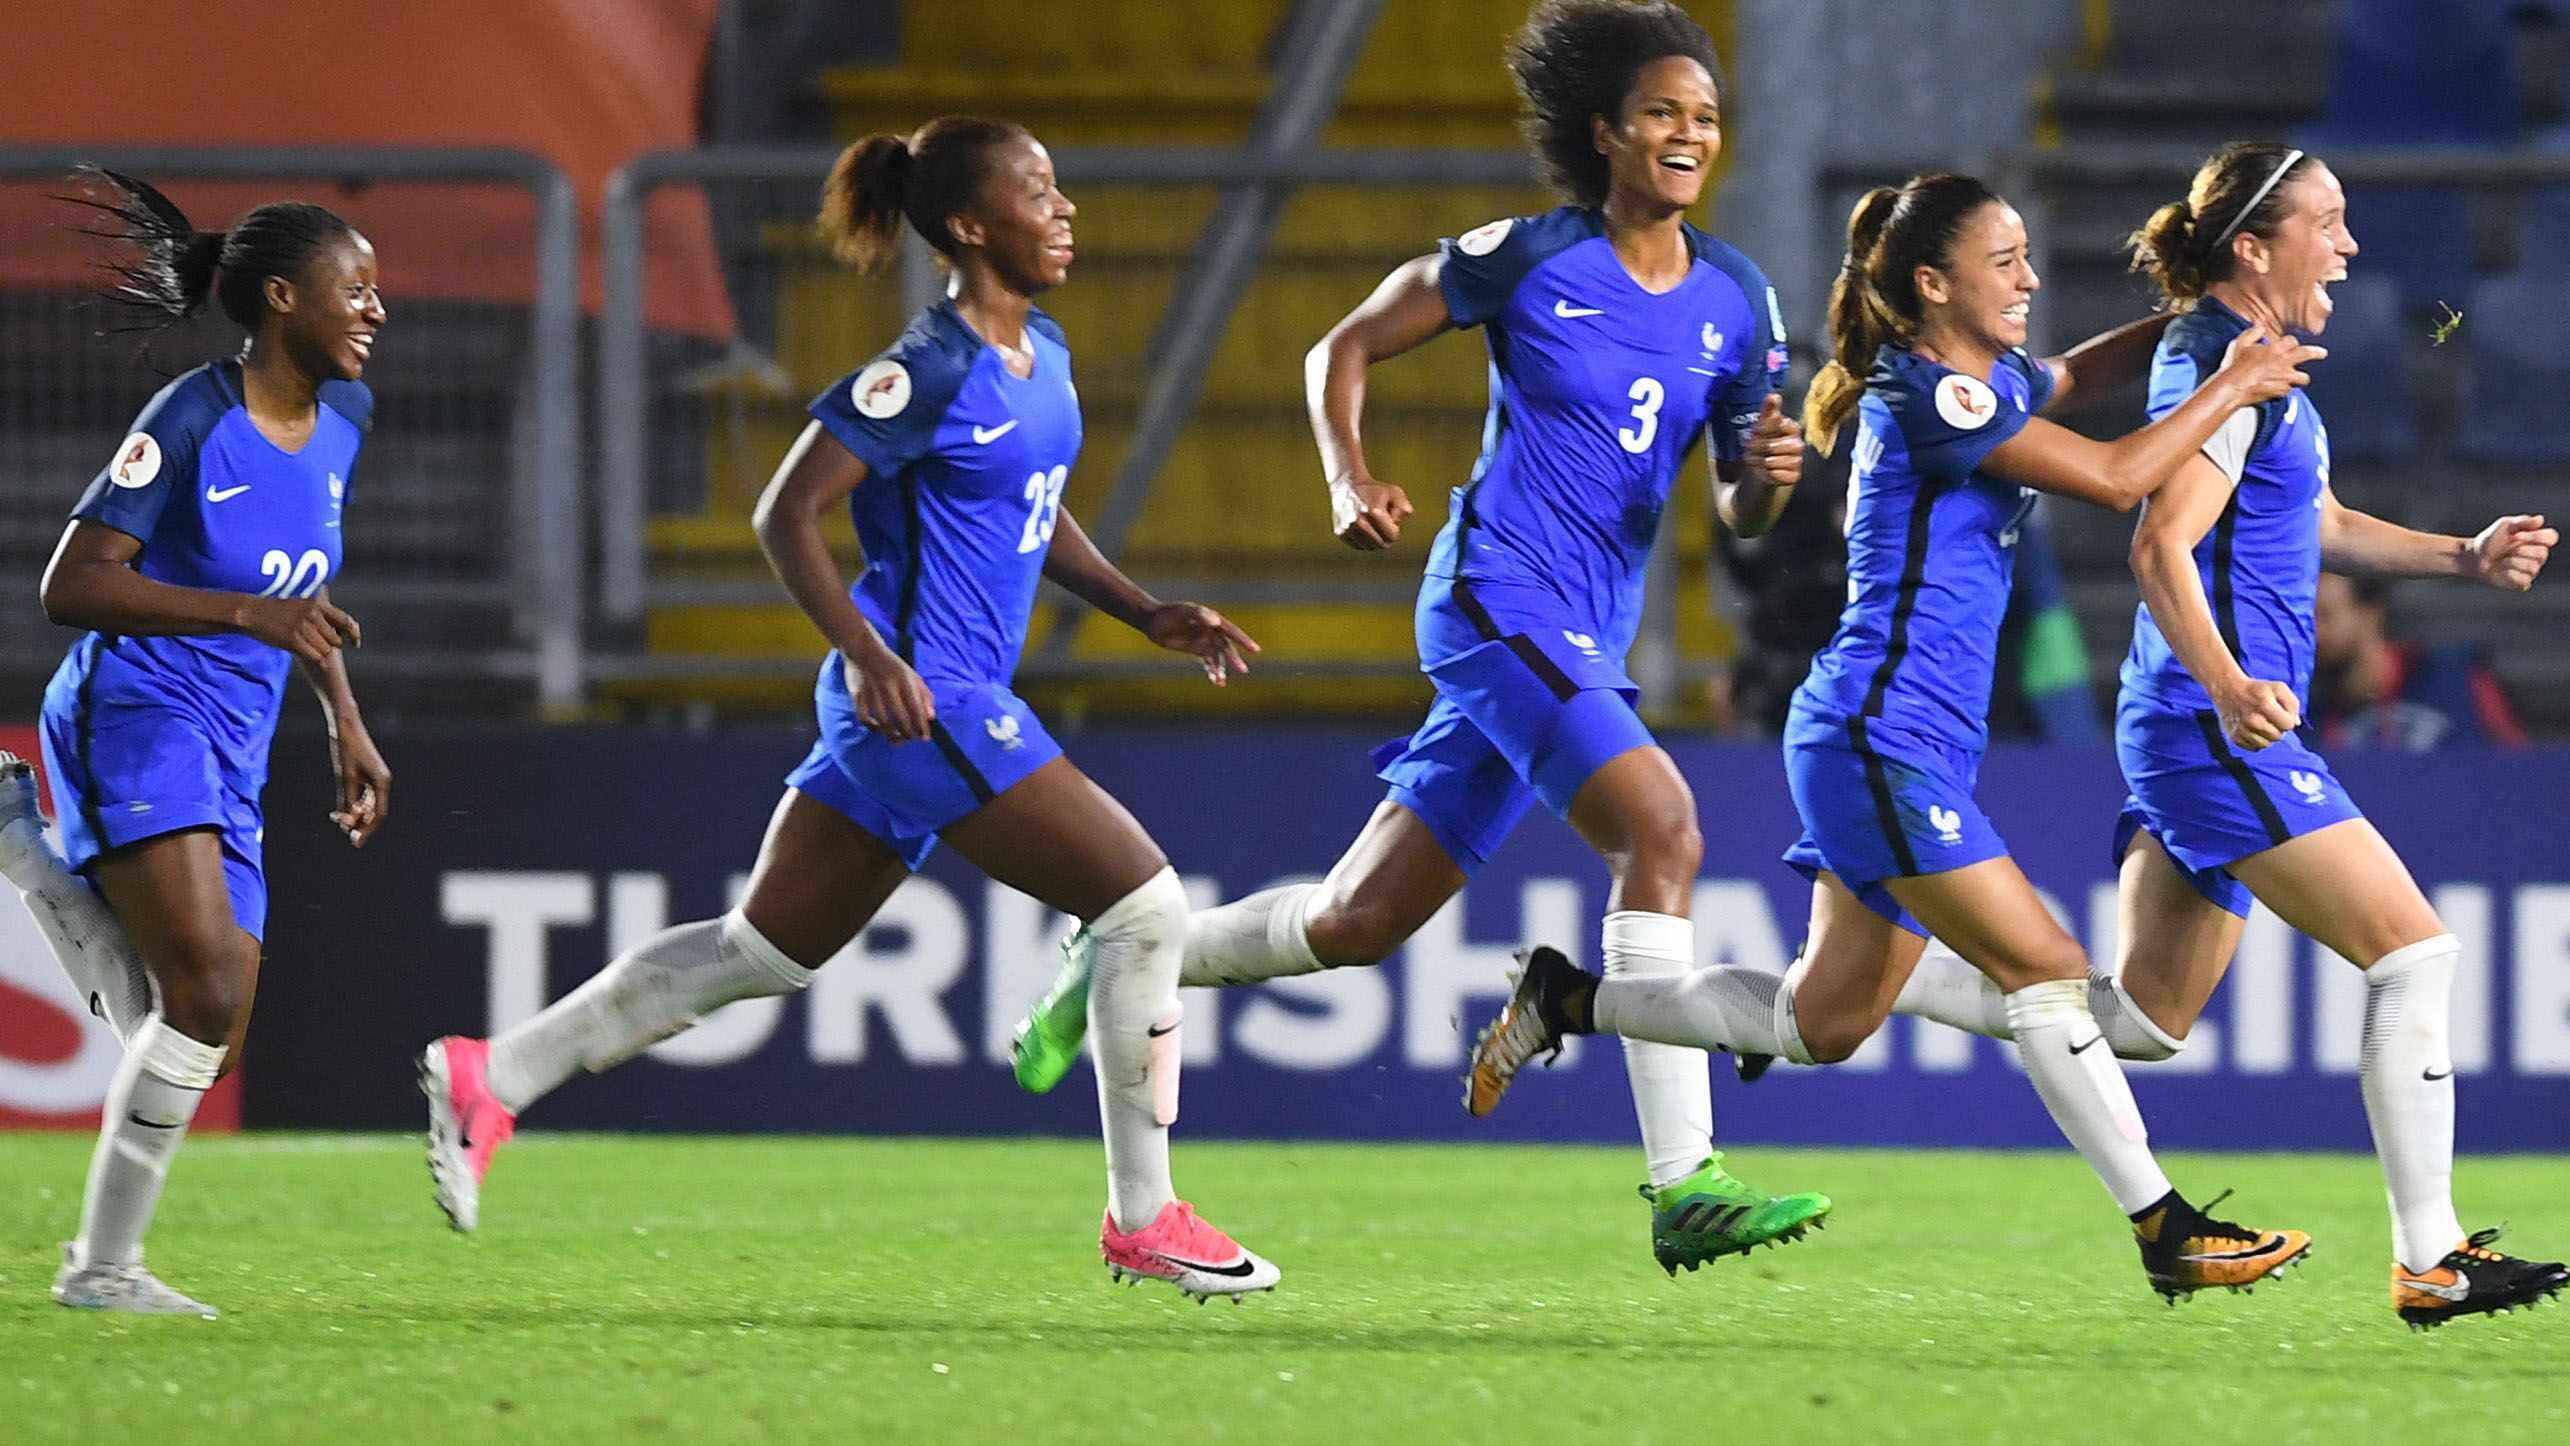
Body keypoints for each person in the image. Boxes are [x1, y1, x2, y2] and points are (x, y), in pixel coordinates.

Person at [1009, 0, 1829, 1275]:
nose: (1688, 135)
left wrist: (1766, 472)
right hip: (1497, 602)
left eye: (1706, 118)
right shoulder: (1525, 259)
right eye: (1662, 113)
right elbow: (1341, 344)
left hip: (1583, 637)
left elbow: (1738, 494)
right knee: (1662, 828)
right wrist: (1348, 476)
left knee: (1355, 923)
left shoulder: (1736, 295)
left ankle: (1126, 945)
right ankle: (1683, 1184)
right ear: (1605, 131)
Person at [420, 117, 1279, 1301]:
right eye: (1037, 189)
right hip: (927, 702)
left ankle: (491, 1074)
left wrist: (1141, 610)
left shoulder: (1044, 349)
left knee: (759, 953)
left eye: (1059, 181)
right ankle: (1144, 1215)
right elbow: (786, 512)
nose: (1064, 206)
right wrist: (868, 653)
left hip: (923, 705)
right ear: (970, 227)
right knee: (1143, 908)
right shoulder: (922, 367)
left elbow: (1029, 503)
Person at [1469, 171, 2331, 1304]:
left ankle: (1563, 998)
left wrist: (2189, 314)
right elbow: (2121, 476)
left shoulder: (1989, 386)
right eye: (2005, 261)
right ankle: (2164, 1229)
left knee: (1813, 1023)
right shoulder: (1929, 400)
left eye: (2028, 258)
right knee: (2048, 971)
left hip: (1892, 741)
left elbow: (2071, 377)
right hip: (1878, 739)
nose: (2029, 280)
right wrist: (2228, 381)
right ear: (1931, 285)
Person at [1879, 143, 2567, 1327]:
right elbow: (2155, 543)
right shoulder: (2214, 364)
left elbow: (2321, 521)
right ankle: (2429, 1255)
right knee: (2413, 954)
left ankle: (1885, 979)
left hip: (2191, 722)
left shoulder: (2251, 372)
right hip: (2214, 729)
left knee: (2138, 1023)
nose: (2347, 246)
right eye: (2328, 222)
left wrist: (2458, 554)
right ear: (2253, 246)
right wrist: (2230, 679)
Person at [1, 171, 390, 1318]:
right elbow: (71, 585)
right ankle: (101, 1273)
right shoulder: (189, 417)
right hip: (139, 709)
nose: (376, 311)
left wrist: (344, 719)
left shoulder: (347, 424)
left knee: (197, 1038)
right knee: (203, 998)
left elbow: (299, 599)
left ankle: (20, 840)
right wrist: (245, 619)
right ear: (282, 297)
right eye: (355, 289)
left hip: (238, 731)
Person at [2310, 573, 2526, 750]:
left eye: (2325, 615)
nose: (2314, 633)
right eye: (2304, 619)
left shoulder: (2454, 673)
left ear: (2372, 613)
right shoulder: (2300, 710)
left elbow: (2517, 762)